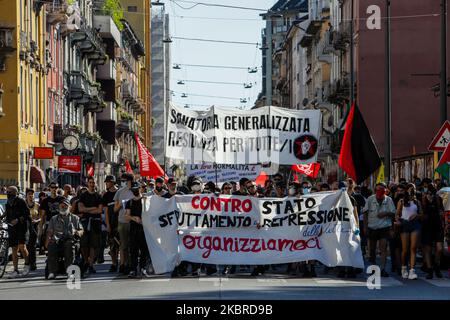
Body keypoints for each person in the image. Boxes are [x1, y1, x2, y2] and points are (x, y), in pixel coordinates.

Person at [363, 182, 396, 277]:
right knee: (372, 250)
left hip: (384, 227)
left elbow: (393, 213)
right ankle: (373, 267)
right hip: (372, 227)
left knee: (383, 248)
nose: (379, 191)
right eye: (377, 189)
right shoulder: (370, 199)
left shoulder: (389, 200)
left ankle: (382, 269)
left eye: (382, 189)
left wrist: (385, 213)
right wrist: (365, 227)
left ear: (385, 191)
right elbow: (365, 213)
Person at [46, 198, 83, 280]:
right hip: (57, 240)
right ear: (59, 207)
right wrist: (47, 243)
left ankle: (69, 272)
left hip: (70, 240)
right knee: (51, 246)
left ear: (69, 207)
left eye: (65, 206)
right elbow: (49, 232)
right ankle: (52, 272)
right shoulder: (54, 218)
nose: (63, 207)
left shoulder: (75, 218)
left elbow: (81, 230)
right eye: (61, 206)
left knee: (69, 245)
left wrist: (77, 232)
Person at [396, 183, 423, 280]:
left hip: (415, 225)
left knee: (413, 248)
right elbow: (397, 214)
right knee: (405, 249)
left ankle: (412, 270)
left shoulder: (417, 202)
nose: (412, 190)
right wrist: (398, 221)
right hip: (405, 224)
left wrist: (416, 215)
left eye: (414, 189)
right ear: (406, 190)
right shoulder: (402, 201)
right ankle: (404, 268)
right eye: (411, 189)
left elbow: (422, 214)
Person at [78, 176, 103, 274]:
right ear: (87, 183)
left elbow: (100, 210)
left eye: (93, 182)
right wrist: (93, 208)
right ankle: (86, 261)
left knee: (93, 245)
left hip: (95, 222)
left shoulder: (98, 196)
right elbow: (80, 209)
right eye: (90, 182)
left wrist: (87, 209)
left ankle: (91, 264)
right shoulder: (83, 196)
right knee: (84, 244)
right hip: (84, 222)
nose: (92, 184)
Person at [125, 183, 150, 278]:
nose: (134, 191)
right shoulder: (129, 202)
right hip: (134, 229)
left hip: (144, 229)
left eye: (136, 189)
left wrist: (144, 220)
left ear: (140, 189)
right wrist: (134, 218)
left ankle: (143, 268)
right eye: (133, 189)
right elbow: (126, 216)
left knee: (144, 250)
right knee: (133, 250)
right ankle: (133, 269)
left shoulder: (145, 200)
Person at [5, 186, 30, 278]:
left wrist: (18, 220)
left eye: (9, 192)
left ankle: (27, 265)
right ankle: (15, 270)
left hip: (21, 227)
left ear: (15, 193)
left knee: (22, 246)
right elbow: (7, 214)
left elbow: (27, 214)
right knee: (14, 248)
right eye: (7, 192)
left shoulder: (21, 201)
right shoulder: (8, 202)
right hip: (12, 228)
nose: (7, 194)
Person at [421, 184, 444, 279]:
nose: (430, 195)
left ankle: (436, 265)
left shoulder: (438, 200)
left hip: (437, 226)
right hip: (427, 227)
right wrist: (425, 202)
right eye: (428, 193)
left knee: (439, 249)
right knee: (428, 249)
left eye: (432, 193)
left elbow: (441, 211)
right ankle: (430, 270)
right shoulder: (423, 200)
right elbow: (421, 213)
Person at [113, 173, 135, 275]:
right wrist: (122, 204)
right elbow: (115, 209)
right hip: (122, 221)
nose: (122, 182)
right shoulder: (119, 192)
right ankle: (122, 264)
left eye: (123, 180)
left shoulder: (135, 190)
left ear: (129, 181)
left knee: (132, 245)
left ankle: (130, 264)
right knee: (123, 244)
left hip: (134, 221)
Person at [39, 182, 65, 249]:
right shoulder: (45, 200)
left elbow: (66, 213)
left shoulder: (62, 199)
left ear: (58, 188)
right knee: (48, 244)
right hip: (49, 223)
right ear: (49, 188)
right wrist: (41, 229)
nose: (54, 189)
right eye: (52, 187)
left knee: (60, 243)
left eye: (56, 187)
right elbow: (43, 216)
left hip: (60, 223)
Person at [102, 175, 118, 271]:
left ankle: (123, 263)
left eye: (107, 182)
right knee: (112, 245)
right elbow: (106, 211)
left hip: (119, 221)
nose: (106, 184)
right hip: (111, 223)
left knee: (122, 245)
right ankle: (114, 263)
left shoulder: (119, 192)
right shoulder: (106, 195)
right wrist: (107, 225)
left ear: (112, 182)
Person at [25, 188, 40, 271]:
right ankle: (27, 263)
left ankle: (33, 263)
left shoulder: (37, 205)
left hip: (34, 227)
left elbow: (40, 217)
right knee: (26, 246)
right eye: (29, 194)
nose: (30, 195)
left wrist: (36, 220)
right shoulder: (23, 204)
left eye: (32, 194)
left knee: (32, 246)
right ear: (26, 196)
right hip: (25, 227)